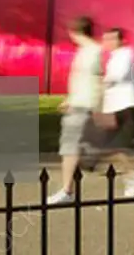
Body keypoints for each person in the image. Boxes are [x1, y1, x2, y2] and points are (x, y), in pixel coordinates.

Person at [47, 16, 102, 205]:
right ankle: (92, 157)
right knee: (77, 145)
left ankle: (67, 190)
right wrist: (70, 98)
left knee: (69, 148)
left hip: (83, 105)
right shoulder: (90, 51)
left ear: (75, 32)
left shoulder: (92, 52)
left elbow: (98, 80)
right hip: (82, 103)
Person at [101, 27, 134, 197]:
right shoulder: (115, 57)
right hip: (115, 105)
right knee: (115, 145)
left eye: (111, 39)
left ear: (121, 40)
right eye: (106, 39)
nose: (107, 43)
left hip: (125, 105)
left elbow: (120, 75)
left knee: (116, 145)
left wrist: (100, 81)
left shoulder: (127, 54)